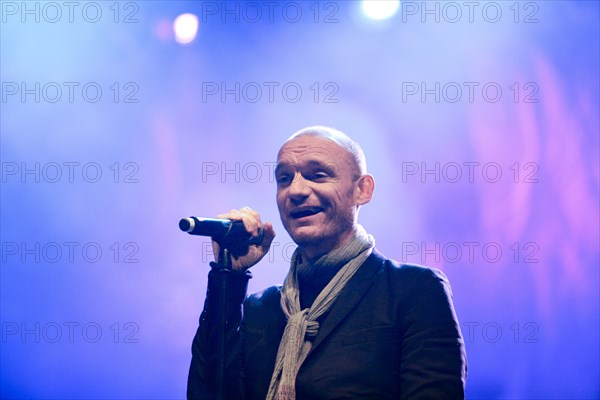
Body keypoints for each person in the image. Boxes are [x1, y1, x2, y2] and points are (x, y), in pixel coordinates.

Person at [187, 126, 467, 399]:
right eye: (284, 178)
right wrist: (229, 277)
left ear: (362, 190)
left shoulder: (414, 290)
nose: (295, 190)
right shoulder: (259, 309)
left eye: (317, 175)